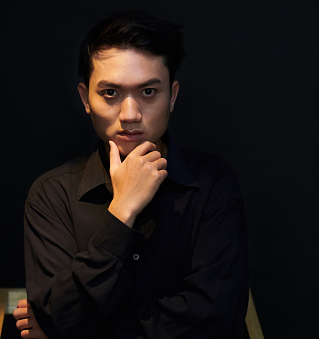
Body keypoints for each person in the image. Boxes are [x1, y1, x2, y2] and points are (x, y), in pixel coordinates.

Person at [13, 10, 249, 338]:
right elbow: (61, 316)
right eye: (110, 93)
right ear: (85, 98)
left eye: (148, 92)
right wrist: (122, 211)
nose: (130, 115)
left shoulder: (213, 183)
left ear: (172, 96)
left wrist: (79, 329)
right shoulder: (51, 195)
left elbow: (217, 321)